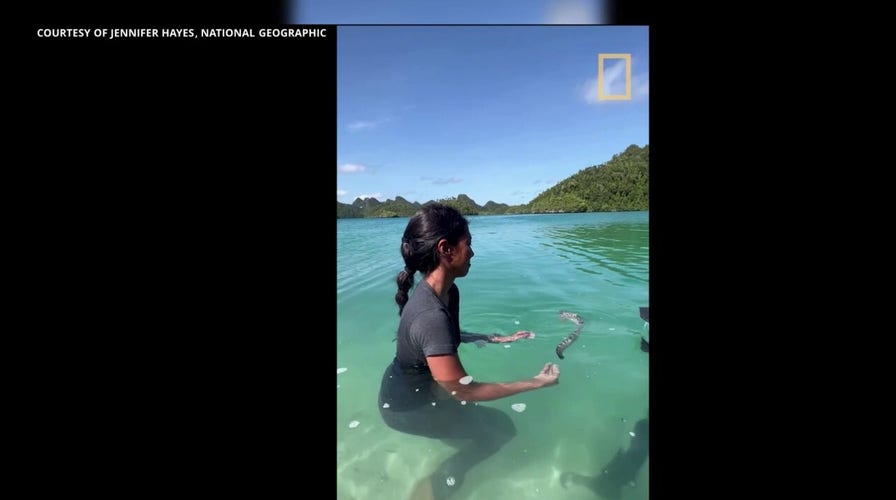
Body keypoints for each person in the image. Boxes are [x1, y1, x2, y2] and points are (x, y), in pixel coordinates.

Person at [378, 203, 560, 500]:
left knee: (492, 427)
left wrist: (495, 338)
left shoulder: (448, 292)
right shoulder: (429, 315)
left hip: (416, 390)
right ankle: (438, 484)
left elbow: (446, 339)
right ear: (445, 249)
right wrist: (535, 382)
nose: (473, 253)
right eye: (468, 244)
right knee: (501, 431)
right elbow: (464, 391)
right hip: (405, 407)